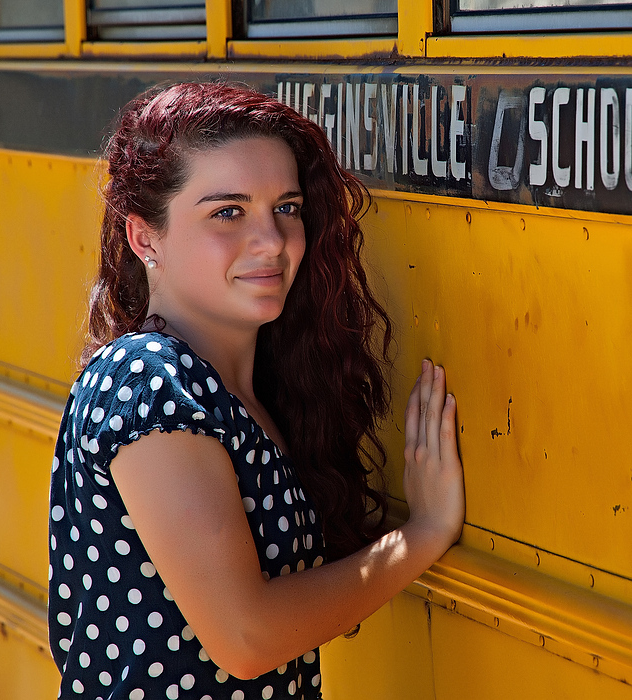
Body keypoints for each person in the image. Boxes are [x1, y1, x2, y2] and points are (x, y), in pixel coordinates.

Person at [47, 81, 465, 700]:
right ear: (145, 239)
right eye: (227, 212)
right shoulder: (148, 384)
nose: (271, 240)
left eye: (287, 208)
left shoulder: (241, 392)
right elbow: (246, 638)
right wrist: (423, 534)